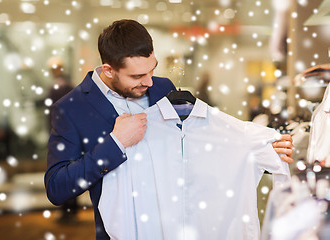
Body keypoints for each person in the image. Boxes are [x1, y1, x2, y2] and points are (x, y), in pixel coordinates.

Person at [45, 19, 294, 239]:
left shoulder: (164, 88)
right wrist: (115, 144)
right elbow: (57, 188)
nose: (149, 81)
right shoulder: (71, 108)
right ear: (109, 70)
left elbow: (195, 146)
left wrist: (254, 151)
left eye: (153, 68)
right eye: (137, 76)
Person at [46, 56, 78, 223]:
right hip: (71, 134)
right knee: (69, 172)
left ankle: (69, 210)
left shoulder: (59, 86)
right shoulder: (68, 84)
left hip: (64, 135)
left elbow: (55, 113)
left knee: (64, 172)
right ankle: (71, 210)